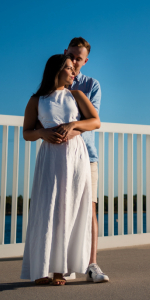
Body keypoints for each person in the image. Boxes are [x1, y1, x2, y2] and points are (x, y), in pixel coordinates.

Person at [20, 54, 100, 286]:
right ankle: (41, 270)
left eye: (73, 68)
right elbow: (27, 133)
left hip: (75, 158)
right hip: (50, 158)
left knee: (69, 209)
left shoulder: (76, 95)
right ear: (55, 71)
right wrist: (42, 133)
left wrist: (73, 124)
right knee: (48, 209)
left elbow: (95, 121)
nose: (73, 71)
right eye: (68, 68)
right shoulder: (37, 100)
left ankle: (60, 272)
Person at [63, 37, 109, 283]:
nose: (74, 62)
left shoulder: (91, 84)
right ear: (65, 53)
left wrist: (71, 127)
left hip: (87, 155)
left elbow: (93, 120)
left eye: (79, 59)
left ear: (85, 60)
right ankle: (66, 264)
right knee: (64, 208)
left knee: (90, 210)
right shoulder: (53, 85)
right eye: (71, 56)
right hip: (61, 156)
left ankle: (92, 264)